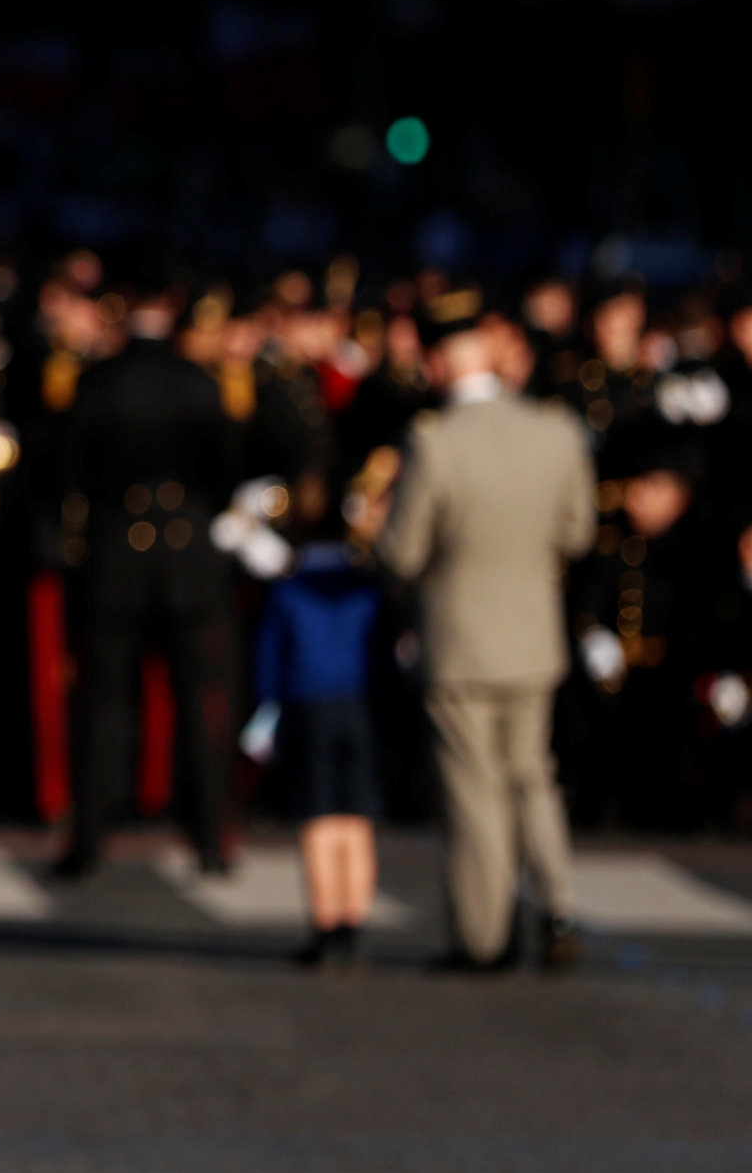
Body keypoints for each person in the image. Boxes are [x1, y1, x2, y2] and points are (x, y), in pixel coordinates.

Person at [378, 310, 598, 972]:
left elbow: (403, 551)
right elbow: (577, 532)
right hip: (531, 634)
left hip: (461, 640)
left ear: (440, 365)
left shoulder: (436, 443)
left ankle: (484, 934)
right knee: (531, 776)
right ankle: (557, 903)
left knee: (475, 792)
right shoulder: (555, 432)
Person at [51, 280, 243, 877]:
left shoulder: (98, 379)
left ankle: (89, 837)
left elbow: (70, 466)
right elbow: (225, 469)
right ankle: (210, 838)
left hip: (116, 549)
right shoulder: (200, 380)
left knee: (105, 702)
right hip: (189, 552)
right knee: (200, 701)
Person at [245, 515, 385, 970]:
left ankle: (326, 928)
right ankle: (353, 924)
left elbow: (270, 653)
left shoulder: (290, 587)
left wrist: (266, 705)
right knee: (356, 821)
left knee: (319, 819)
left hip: (308, 704)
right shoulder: (364, 584)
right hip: (357, 703)